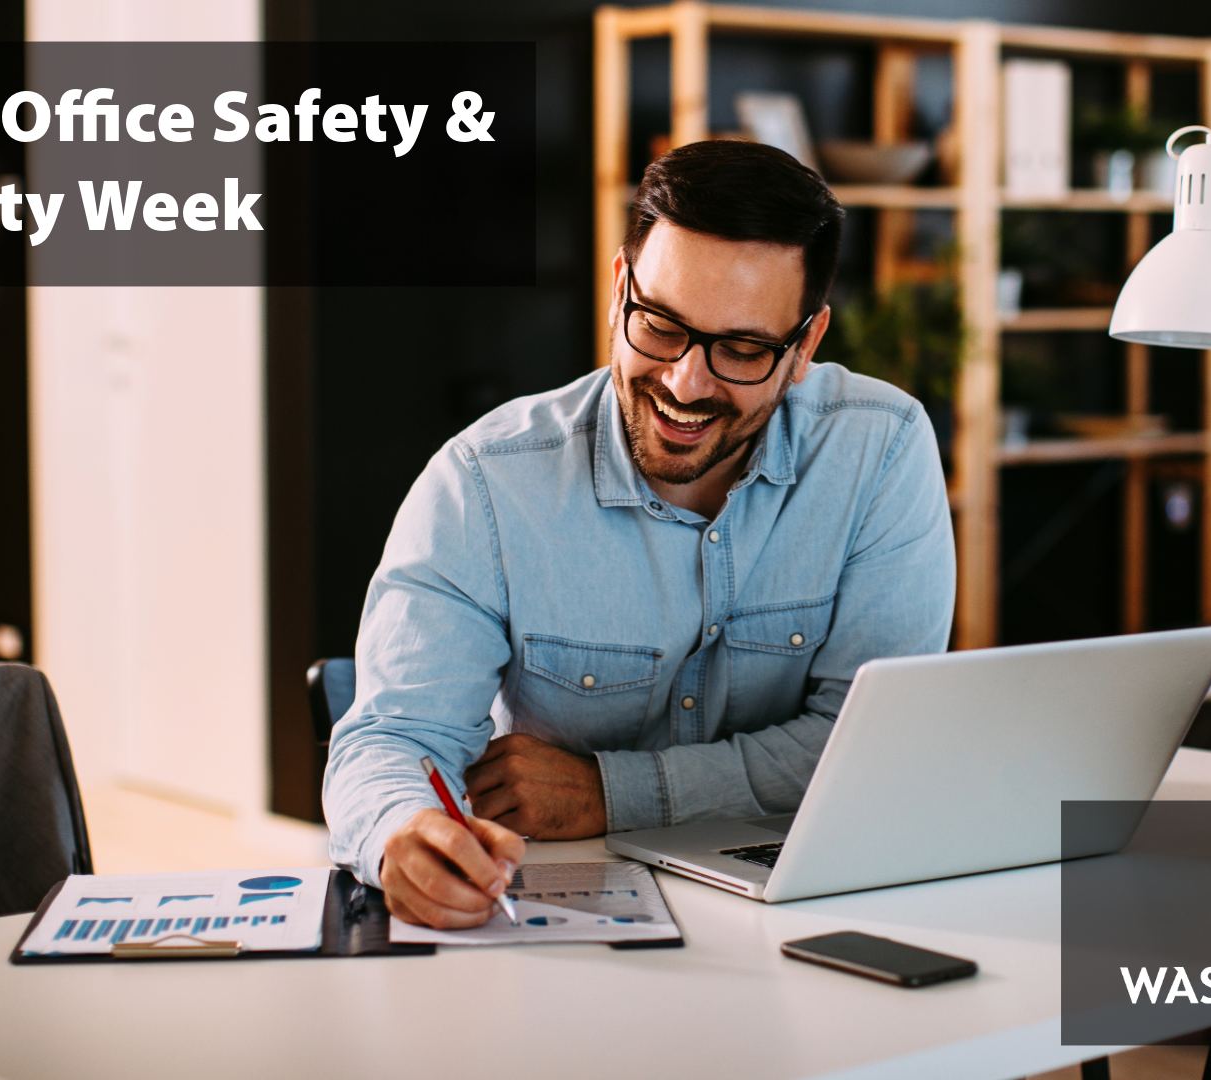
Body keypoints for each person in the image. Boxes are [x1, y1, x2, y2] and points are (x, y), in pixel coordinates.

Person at [323, 140, 956, 929]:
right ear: (620, 288)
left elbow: (864, 744)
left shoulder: (880, 449)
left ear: (805, 346)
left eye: (744, 349)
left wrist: (610, 793)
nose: (687, 383)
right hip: (563, 924)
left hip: (808, 906)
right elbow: (390, 739)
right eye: (659, 325)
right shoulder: (484, 483)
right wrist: (401, 833)